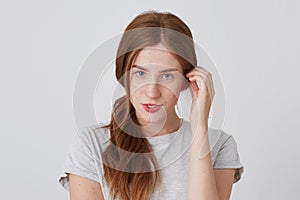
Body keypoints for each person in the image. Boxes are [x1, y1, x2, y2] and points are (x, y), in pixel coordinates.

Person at [58, 10, 244, 200]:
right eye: (140, 74)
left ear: (186, 80)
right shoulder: (91, 146)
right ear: (125, 76)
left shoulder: (219, 145)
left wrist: (199, 126)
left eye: (167, 76)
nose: (152, 92)